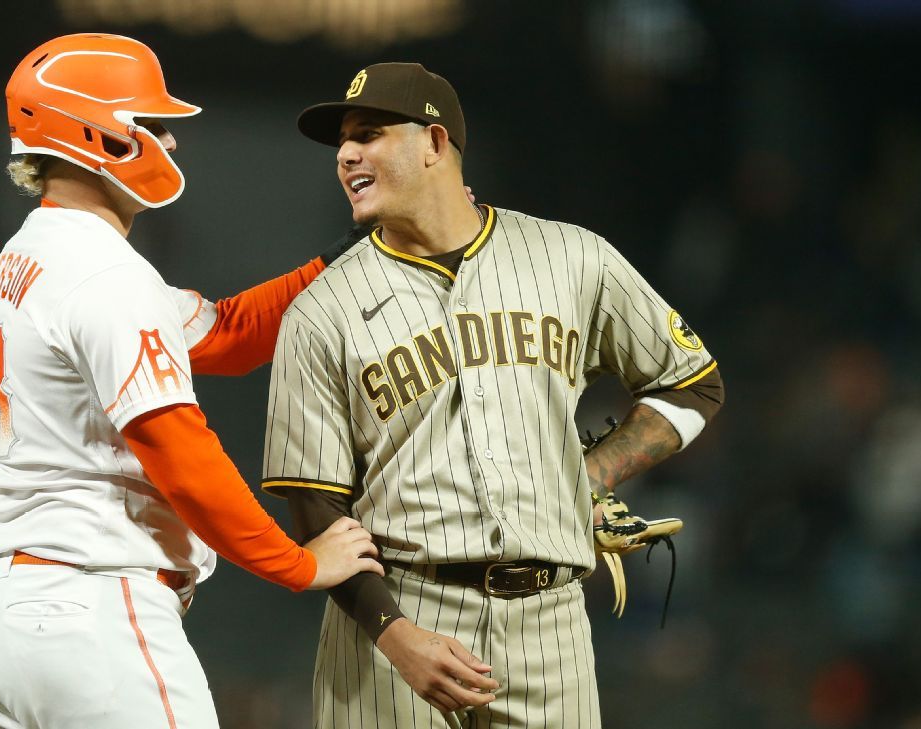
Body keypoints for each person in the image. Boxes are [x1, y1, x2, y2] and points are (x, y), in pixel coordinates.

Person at [261, 63, 725, 727]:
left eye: (368, 133)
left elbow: (692, 382)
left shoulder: (572, 258)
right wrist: (394, 632)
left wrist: (590, 473)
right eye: (342, 141)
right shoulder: (320, 310)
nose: (346, 154)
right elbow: (314, 500)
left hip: (551, 623)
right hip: (397, 620)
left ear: (435, 143)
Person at [0, 34, 383, 729]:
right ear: (96, 134)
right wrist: (297, 563)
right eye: (150, 124)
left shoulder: (31, 253)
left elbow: (229, 332)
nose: (170, 142)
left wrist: (353, 260)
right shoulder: (105, 273)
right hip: (89, 611)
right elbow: (180, 452)